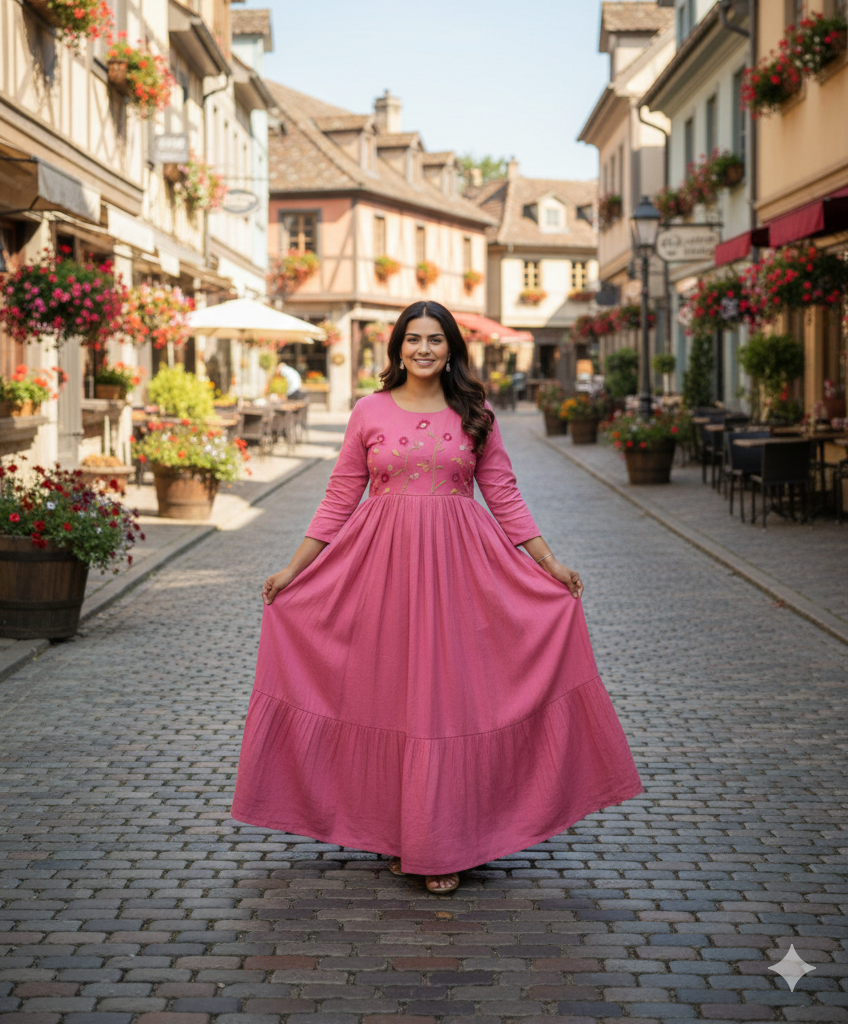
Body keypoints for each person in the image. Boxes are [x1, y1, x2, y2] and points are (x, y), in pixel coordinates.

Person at [231, 300, 643, 895]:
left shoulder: (475, 412)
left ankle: (443, 840)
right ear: (397, 347)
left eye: (435, 340)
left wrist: (550, 563)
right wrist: (295, 569)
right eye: (413, 339)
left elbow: (500, 491)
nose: (423, 349)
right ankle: (401, 835)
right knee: (391, 698)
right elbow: (342, 493)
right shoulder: (368, 411)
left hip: (460, 572)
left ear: (451, 349)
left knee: (446, 702)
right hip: (380, 572)